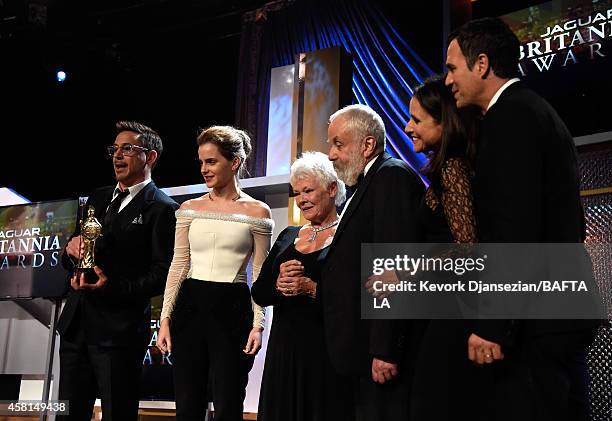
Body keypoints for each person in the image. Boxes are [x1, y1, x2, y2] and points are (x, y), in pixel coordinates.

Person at [445, 17, 598, 421]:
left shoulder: (510, 118)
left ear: (481, 64)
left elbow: (515, 227)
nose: (448, 81)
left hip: (537, 320)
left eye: (452, 68)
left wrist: (493, 323)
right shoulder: (534, 110)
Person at [57, 121, 179, 421]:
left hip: (119, 332)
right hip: (76, 325)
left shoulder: (163, 208)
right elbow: (75, 251)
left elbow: (162, 274)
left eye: (128, 149)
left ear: (149, 157)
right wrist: (70, 252)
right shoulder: (97, 197)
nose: (117, 155)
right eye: (114, 149)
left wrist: (112, 287)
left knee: (118, 413)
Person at [156, 125, 273, 421]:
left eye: (211, 162)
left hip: (233, 308)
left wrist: (258, 325)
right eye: (201, 162)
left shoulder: (258, 212)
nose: (204, 170)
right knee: (187, 405)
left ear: (234, 163)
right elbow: (178, 265)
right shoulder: (188, 209)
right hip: (190, 305)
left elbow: (260, 273)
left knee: (228, 403)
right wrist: (165, 318)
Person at [322, 104, 424, 420]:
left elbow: (394, 264)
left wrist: (385, 347)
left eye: (338, 144)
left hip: (380, 355)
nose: (330, 155)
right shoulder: (369, 181)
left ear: (368, 145)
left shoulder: (390, 175)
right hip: (361, 353)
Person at [252, 151, 352, 421]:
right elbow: (259, 292)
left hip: (325, 352)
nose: (302, 200)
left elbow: (356, 298)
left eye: (308, 190)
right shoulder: (289, 235)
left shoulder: (348, 234)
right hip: (285, 353)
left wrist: (312, 289)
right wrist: (278, 282)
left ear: (332, 189)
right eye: (297, 193)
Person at [404, 74, 480, 420]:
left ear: (443, 121)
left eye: (417, 119)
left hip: (459, 310)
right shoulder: (447, 168)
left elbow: (468, 247)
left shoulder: (452, 169)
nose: (407, 128)